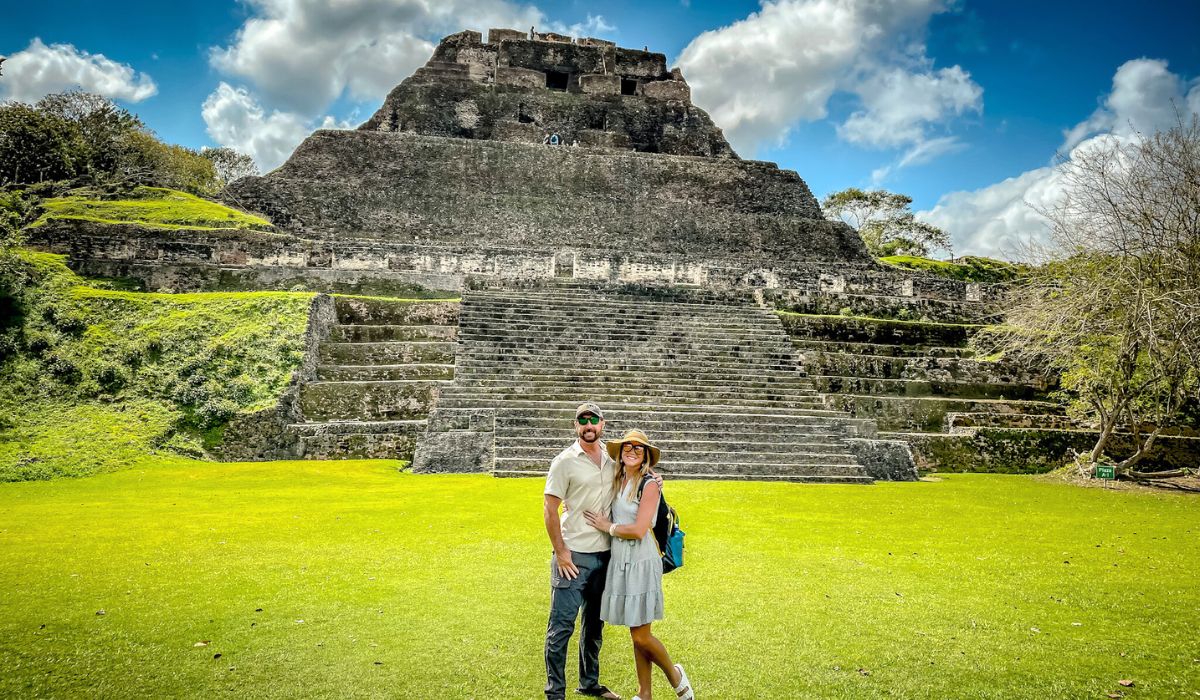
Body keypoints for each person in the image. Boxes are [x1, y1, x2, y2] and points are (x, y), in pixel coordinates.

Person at [584, 430, 694, 700]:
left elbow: (639, 529)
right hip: (621, 560)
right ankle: (644, 693)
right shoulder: (619, 478)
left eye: (638, 448)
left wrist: (607, 527)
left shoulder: (650, 484)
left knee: (642, 637)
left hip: (641, 561)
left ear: (646, 455)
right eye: (627, 447)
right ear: (621, 452)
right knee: (637, 632)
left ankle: (677, 678)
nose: (631, 451)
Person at [543, 402, 621, 700]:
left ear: (602, 424)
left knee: (593, 628)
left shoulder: (612, 460)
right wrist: (560, 552)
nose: (589, 426)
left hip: (605, 555)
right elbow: (550, 509)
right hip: (573, 556)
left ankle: (589, 683)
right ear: (576, 425)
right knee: (561, 628)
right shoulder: (564, 461)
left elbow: (637, 479)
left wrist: (656, 479)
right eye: (583, 421)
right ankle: (555, 694)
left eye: (594, 420)